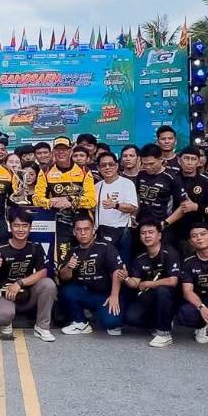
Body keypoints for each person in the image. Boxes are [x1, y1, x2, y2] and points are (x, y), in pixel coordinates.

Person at [0, 210, 57, 341]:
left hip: (27, 293)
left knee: (48, 284)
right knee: (3, 316)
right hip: (5, 294)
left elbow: (43, 272)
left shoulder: (35, 247)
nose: (20, 229)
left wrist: (19, 283)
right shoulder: (0, 249)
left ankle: (42, 327)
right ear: (10, 226)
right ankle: (5, 320)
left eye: (24, 226)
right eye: (16, 225)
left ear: (30, 228)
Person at [57, 213, 124, 335]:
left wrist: (114, 295)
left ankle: (101, 314)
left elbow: (117, 270)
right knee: (66, 290)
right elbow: (63, 277)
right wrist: (69, 267)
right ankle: (80, 322)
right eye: (79, 230)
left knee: (112, 324)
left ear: (93, 230)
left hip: (104, 295)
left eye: (86, 229)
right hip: (84, 292)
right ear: (74, 232)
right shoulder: (72, 251)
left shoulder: (105, 247)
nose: (83, 233)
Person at [32, 137, 96, 265]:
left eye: (64, 149)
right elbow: (36, 198)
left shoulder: (84, 171)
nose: (61, 152)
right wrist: (51, 202)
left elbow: (92, 200)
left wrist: (69, 200)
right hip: (60, 223)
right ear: (53, 152)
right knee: (64, 260)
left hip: (82, 223)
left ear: (70, 151)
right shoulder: (45, 171)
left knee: (86, 259)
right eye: (58, 149)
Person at [122, 220, 180, 346]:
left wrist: (148, 284)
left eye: (150, 232)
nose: (147, 236)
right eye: (143, 233)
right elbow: (135, 283)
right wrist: (126, 278)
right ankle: (158, 323)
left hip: (172, 296)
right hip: (150, 296)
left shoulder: (170, 253)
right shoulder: (140, 257)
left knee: (162, 290)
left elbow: (172, 281)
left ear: (159, 235)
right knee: (131, 318)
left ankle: (164, 333)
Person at [92, 150, 138, 263]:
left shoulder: (127, 183)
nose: (107, 168)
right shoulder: (96, 186)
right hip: (102, 231)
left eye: (111, 164)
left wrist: (116, 205)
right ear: (98, 168)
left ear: (117, 165)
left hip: (122, 231)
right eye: (103, 165)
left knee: (122, 265)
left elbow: (132, 207)